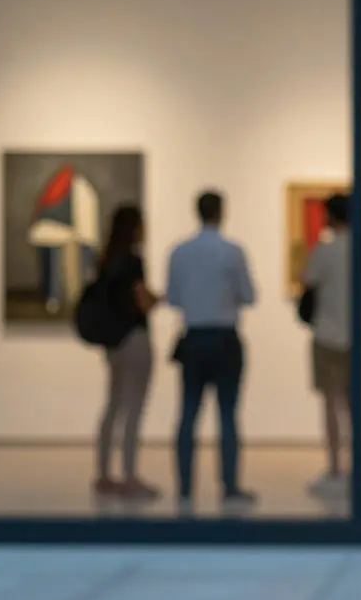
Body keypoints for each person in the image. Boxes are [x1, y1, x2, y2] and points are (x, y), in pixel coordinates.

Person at [165, 190, 258, 509]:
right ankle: (229, 486)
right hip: (225, 338)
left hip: (193, 338)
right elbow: (249, 295)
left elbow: (173, 298)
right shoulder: (232, 252)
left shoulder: (180, 252)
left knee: (188, 413)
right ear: (222, 212)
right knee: (228, 415)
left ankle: (185, 488)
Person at [301, 193, 361, 498]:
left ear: (331, 217)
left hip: (327, 336)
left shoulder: (325, 250)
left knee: (331, 405)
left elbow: (308, 280)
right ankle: (357, 469)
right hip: (355, 337)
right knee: (353, 406)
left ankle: (335, 469)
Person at [92, 204, 161, 500]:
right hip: (135, 338)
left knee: (112, 405)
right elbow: (142, 300)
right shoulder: (133, 261)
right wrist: (158, 298)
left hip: (113, 343)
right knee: (134, 409)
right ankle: (130, 476)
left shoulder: (105, 261)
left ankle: (103, 473)